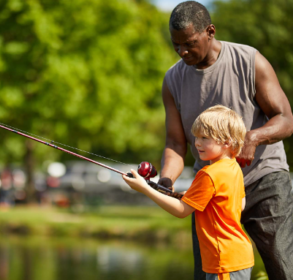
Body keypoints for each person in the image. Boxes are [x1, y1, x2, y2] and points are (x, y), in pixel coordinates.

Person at [159, 1, 293, 280]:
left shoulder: (249, 60)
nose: (183, 51)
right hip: (209, 188)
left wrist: (253, 137)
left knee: (282, 265)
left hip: (262, 177)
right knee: (208, 272)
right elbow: (175, 143)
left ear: (210, 31)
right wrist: (166, 181)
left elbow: (285, 119)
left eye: (189, 43)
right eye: (176, 45)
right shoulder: (173, 79)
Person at [124, 105, 254, 279]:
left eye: (204, 137)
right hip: (237, 256)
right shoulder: (233, 167)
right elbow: (240, 203)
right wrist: (197, 198)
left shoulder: (209, 173)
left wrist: (145, 189)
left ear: (226, 142)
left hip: (224, 261)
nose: (197, 143)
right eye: (196, 137)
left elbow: (181, 210)